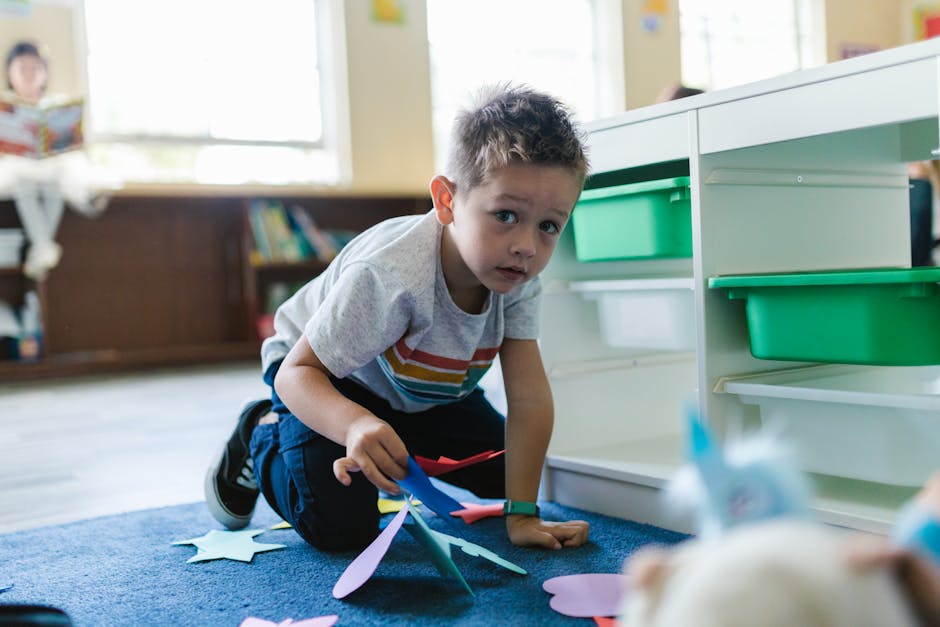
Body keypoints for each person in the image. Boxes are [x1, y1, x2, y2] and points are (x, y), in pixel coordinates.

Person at [205, 84, 592, 552]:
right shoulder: (391, 274)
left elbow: (529, 401)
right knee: (340, 526)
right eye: (506, 214)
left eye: (549, 225)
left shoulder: (518, 276)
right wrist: (353, 425)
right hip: (325, 377)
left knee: (508, 474)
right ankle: (260, 430)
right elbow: (299, 373)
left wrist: (523, 515)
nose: (527, 246)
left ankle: (392, 432)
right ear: (446, 201)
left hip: (419, 393)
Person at [1, 41, 119, 280]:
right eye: (22, 67)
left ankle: (42, 248)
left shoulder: (56, 105)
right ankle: (44, 246)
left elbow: (72, 142)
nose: (29, 74)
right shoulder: (4, 106)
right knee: (26, 182)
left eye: (35, 68)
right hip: (15, 168)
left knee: (58, 179)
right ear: (9, 72)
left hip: (52, 167)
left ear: (44, 73)